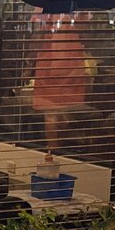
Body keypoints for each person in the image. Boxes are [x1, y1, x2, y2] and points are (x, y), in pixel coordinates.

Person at [31, 11, 93, 155]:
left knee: (54, 112)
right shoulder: (79, 4)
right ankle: (55, 151)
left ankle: (53, 150)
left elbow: (36, 36)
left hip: (56, 63)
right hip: (67, 63)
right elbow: (87, 33)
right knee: (60, 111)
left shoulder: (45, 3)